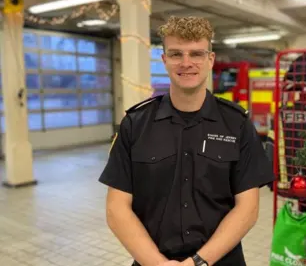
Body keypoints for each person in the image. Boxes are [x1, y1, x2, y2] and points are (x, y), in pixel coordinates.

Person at [99, 16, 274, 266]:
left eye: (196, 54)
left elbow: (248, 209)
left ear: (210, 60)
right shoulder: (135, 125)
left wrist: (199, 262)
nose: (186, 63)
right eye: (176, 54)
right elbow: (116, 209)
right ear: (164, 60)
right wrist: (158, 264)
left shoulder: (237, 124)